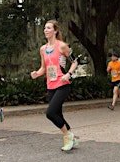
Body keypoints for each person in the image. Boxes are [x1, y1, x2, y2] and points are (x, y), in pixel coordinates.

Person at [30, 20, 79, 151]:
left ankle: (67, 136)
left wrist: (68, 74)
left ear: (55, 31)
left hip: (63, 84)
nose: (45, 30)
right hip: (50, 85)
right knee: (58, 114)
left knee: (50, 113)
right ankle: (72, 138)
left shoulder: (62, 46)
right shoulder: (43, 49)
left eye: (48, 28)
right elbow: (43, 68)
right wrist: (37, 73)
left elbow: (75, 62)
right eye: (45, 28)